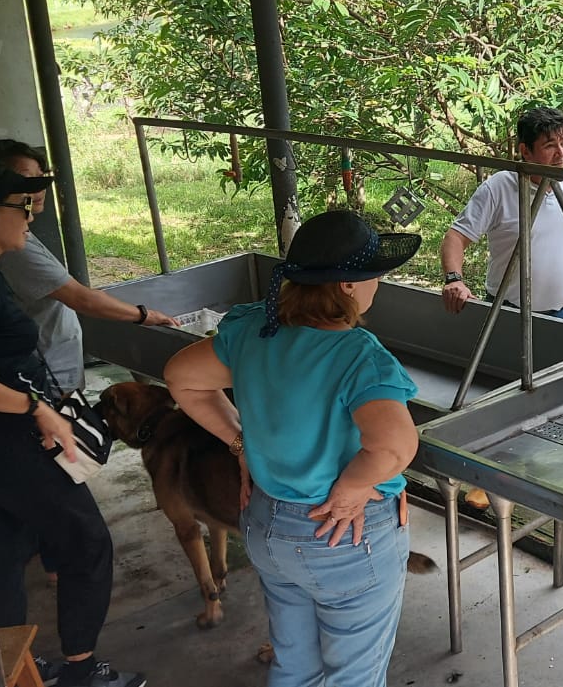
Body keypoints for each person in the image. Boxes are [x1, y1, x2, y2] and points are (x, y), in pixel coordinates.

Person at [0, 158, 145, 687]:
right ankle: (81, 673)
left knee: (3, 548)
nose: (31, 217)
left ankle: (13, 667)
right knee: (87, 543)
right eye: (23, 207)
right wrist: (37, 409)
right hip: (8, 440)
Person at [164, 210, 421, 687]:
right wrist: (350, 488)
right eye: (373, 274)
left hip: (268, 526)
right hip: (343, 533)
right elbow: (395, 446)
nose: (378, 283)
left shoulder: (253, 332)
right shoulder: (358, 356)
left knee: (294, 667)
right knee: (354, 678)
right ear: (347, 285)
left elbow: (181, 377)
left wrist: (240, 443)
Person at [0, 139, 178, 398]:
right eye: (27, 180)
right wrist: (144, 315)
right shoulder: (15, 247)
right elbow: (80, 298)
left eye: (42, 177)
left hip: (46, 369)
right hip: (44, 375)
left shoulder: (13, 235)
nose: (39, 189)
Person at [440, 106, 563, 321]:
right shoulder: (500, 187)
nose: (561, 153)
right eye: (549, 145)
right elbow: (456, 237)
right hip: (504, 310)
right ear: (526, 151)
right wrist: (454, 279)